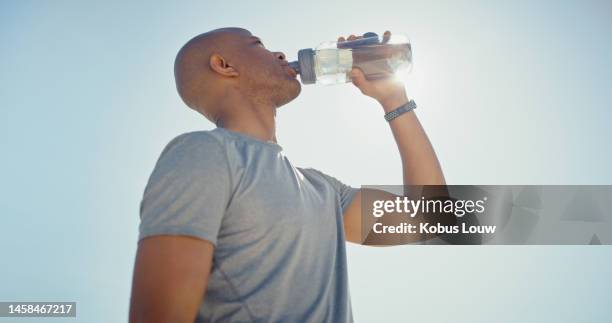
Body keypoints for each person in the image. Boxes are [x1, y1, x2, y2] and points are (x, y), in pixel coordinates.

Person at [129, 27, 445, 323]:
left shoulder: (323, 190)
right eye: (259, 45)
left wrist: (394, 98)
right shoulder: (203, 152)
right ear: (224, 65)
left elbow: (433, 219)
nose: (280, 54)